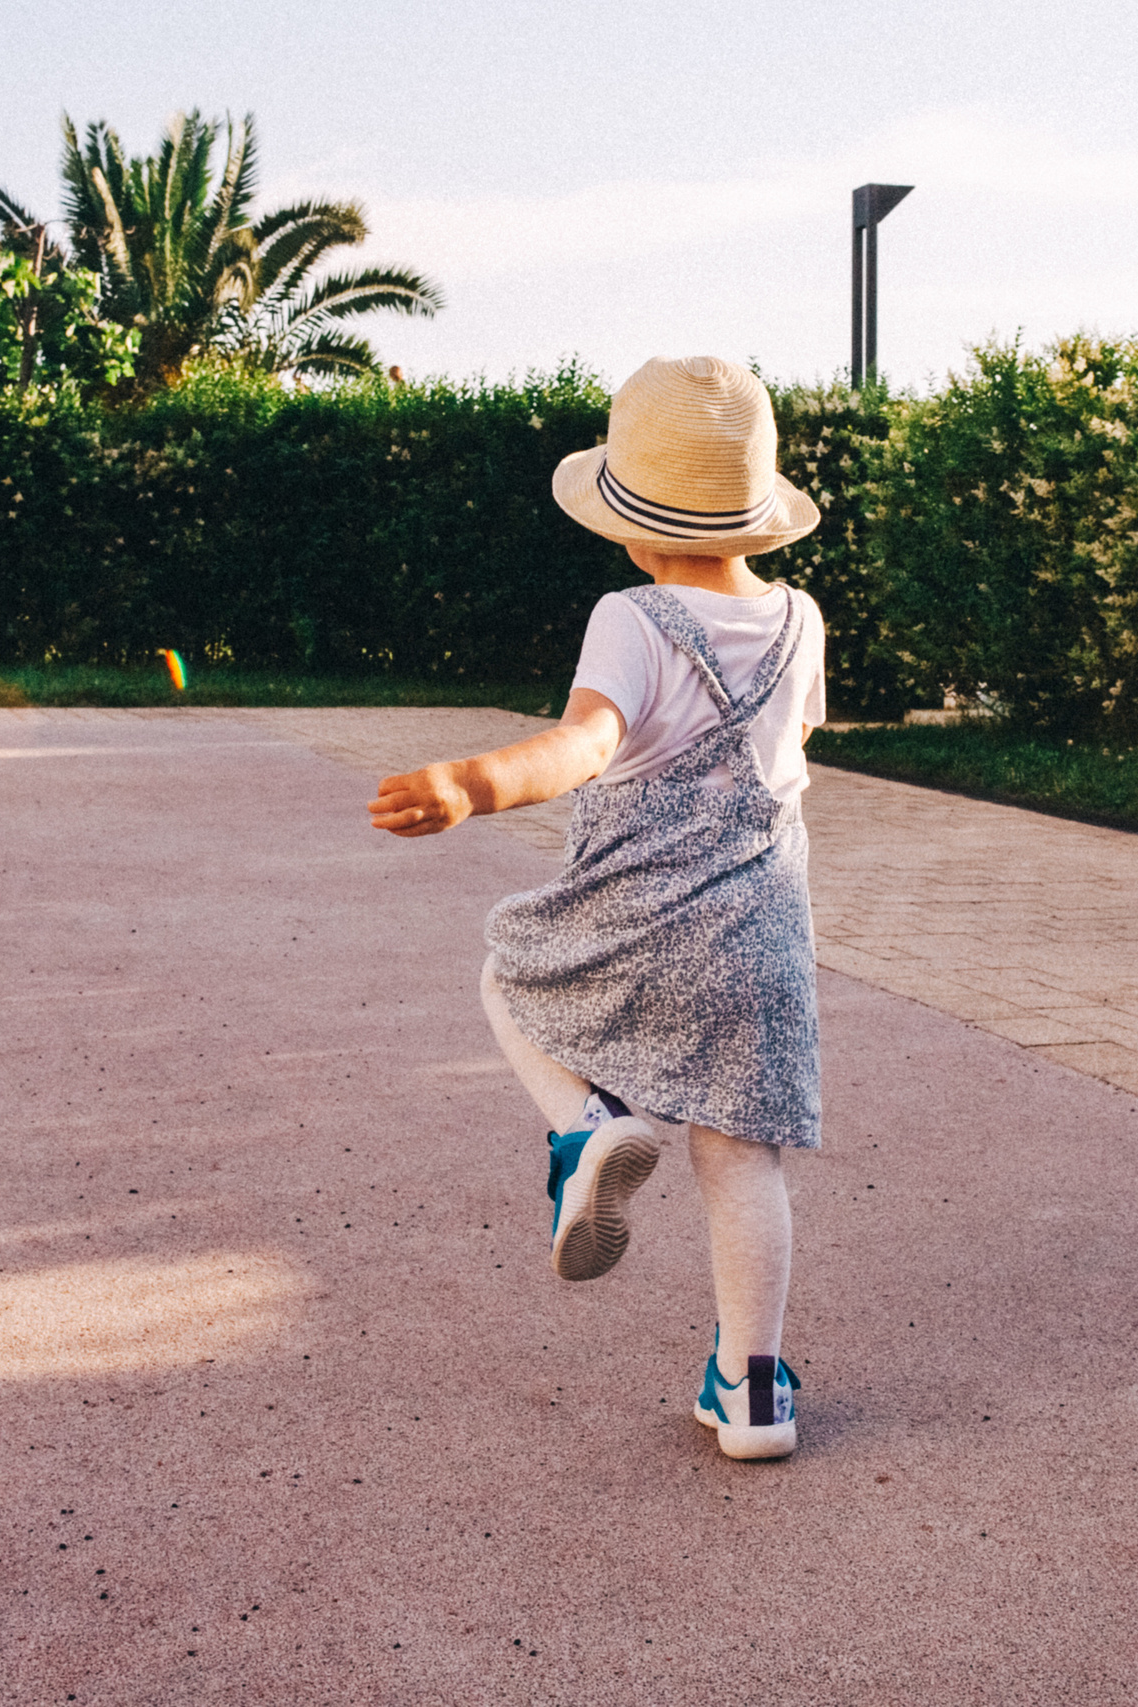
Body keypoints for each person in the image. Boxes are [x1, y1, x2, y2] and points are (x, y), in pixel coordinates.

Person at [367, 356, 827, 1460]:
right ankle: (753, 1391)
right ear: (754, 517)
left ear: (629, 521)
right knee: (741, 1156)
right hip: (764, 930)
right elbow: (791, 755)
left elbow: (583, 747)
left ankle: (586, 1128)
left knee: (509, 973)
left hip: (638, 913)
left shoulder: (631, 616)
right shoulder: (801, 616)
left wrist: (472, 785)